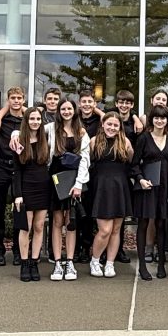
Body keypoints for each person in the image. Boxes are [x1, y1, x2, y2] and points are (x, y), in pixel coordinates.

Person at [47, 98, 89, 282]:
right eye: (63, 109)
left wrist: (79, 183)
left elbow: (85, 159)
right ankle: (57, 262)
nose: (66, 111)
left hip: (73, 182)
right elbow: (28, 130)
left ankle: (70, 262)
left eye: (69, 108)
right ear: (58, 111)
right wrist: (16, 133)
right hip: (56, 181)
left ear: (74, 111)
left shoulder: (81, 132)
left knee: (71, 222)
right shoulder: (50, 129)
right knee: (57, 222)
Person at [88, 112, 134, 278]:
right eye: (109, 124)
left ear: (119, 127)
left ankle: (110, 263)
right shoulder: (94, 141)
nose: (112, 128)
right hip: (101, 188)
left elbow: (131, 161)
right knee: (104, 230)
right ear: (103, 124)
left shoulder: (125, 142)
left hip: (120, 187)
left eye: (116, 125)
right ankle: (95, 260)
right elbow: (86, 164)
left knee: (116, 229)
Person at [131, 104, 168, 280]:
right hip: (147, 187)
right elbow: (133, 164)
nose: (159, 121)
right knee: (143, 224)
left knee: (161, 225)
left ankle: (161, 263)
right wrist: (140, 179)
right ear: (152, 120)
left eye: (163, 118)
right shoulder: (144, 139)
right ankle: (142, 266)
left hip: (165, 186)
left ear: (167, 120)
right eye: (156, 117)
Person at [0, 86, 26, 267]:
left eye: (19, 98)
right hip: (0, 168)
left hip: (20, 170)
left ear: (23, 100)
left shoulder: (28, 119)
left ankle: (18, 251)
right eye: (13, 98)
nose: (16, 101)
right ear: (8, 100)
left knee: (19, 210)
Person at [13, 106, 51, 282]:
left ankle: (34, 261)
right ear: (26, 121)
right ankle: (24, 262)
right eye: (32, 119)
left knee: (39, 227)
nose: (35, 122)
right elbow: (17, 171)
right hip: (26, 189)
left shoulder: (46, 140)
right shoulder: (19, 141)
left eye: (38, 119)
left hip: (43, 189)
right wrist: (17, 194)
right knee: (25, 228)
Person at [110, 89, 142, 264]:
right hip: (109, 170)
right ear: (116, 103)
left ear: (132, 105)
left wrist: (136, 117)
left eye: (128, 103)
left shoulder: (135, 124)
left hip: (127, 171)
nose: (124, 105)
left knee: (121, 213)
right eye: (121, 102)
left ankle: (119, 249)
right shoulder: (110, 120)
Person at [76, 89, 104, 264]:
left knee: (92, 212)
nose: (86, 105)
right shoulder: (73, 119)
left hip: (95, 171)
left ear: (94, 104)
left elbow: (110, 118)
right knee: (78, 213)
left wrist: (99, 112)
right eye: (83, 101)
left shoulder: (100, 121)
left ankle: (89, 247)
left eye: (90, 102)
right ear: (79, 103)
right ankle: (79, 247)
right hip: (77, 170)